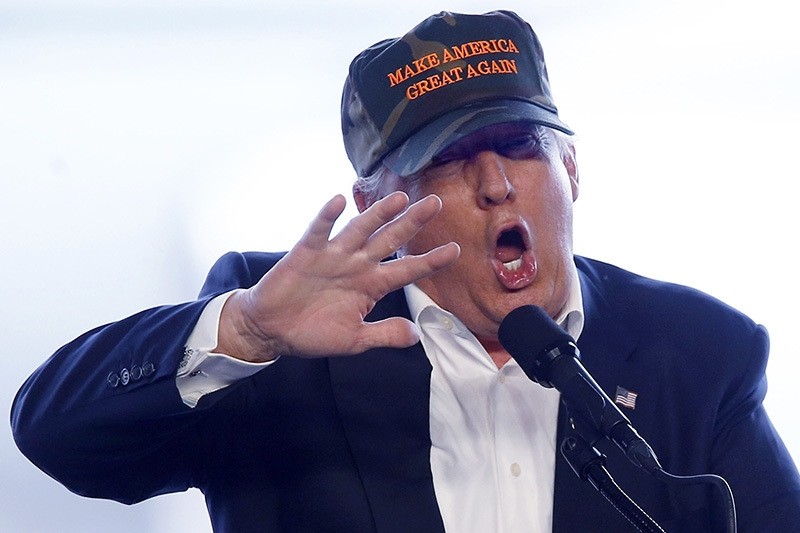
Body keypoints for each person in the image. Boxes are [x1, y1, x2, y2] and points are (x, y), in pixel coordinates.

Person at [11, 9, 800, 532]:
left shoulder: (695, 352)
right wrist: (246, 330)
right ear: (376, 205)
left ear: (570, 166)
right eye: (449, 161)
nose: (496, 183)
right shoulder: (281, 341)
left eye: (520, 147)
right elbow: (57, 436)